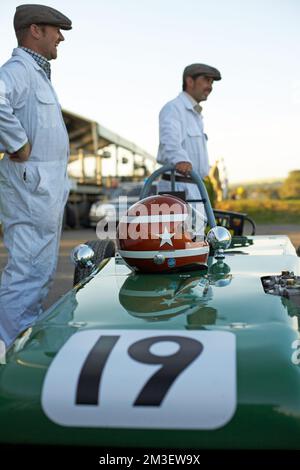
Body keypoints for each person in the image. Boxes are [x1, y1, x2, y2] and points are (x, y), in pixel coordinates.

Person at [0, 4, 72, 349]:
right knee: (27, 273)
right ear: (35, 30)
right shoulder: (19, 70)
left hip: (42, 188)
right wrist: (17, 143)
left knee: (39, 273)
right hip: (30, 187)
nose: (60, 37)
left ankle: (20, 344)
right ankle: (9, 350)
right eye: (55, 29)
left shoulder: (36, 74)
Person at [157, 63, 222, 232]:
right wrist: (181, 159)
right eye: (206, 80)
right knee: (180, 243)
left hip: (192, 187)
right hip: (177, 187)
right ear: (189, 81)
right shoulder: (174, 108)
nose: (210, 87)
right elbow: (169, 139)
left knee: (196, 240)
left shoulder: (195, 114)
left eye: (212, 83)